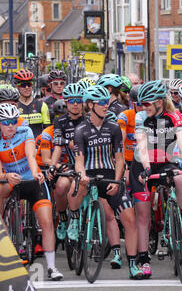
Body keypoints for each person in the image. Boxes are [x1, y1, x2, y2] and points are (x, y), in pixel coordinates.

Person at [67, 85, 142, 278]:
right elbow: (79, 161)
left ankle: (133, 265)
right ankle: (74, 220)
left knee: (130, 219)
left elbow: (119, 159)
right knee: (75, 187)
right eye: (101, 103)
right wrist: (82, 175)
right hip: (89, 174)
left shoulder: (114, 127)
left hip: (110, 176)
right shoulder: (81, 129)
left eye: (106, 103)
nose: (105, 106)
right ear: (90, 105)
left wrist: (117, 182)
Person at [130, 80, 182, 278]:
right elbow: (141, 144)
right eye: (142, 103)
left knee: (181, 180)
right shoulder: (141, 117)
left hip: (166, 161)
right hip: (142, 165)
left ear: (159, 101)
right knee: (143, 215)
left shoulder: (174, 115)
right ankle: (144, 260)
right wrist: (147, 168)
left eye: (147, 103)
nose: (144, 107)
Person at [0, 103, 63, 280]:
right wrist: (6, 176)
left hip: (31, 178)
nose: (11, 125)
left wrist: (36, 173)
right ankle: (7, 249)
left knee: (46, 221)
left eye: (13, 121)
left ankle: (51, 267)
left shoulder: (24, 131)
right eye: (5, 122)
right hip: (10, 180)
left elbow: (30, 156)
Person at [48, 83, 86, 241]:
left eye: (78, 100)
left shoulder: (89, 120)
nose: (75, 104)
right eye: (71, 101)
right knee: (61, 186)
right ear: (66, 102)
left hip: (88, 163)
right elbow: (57, 143)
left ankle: (81, 219)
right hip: (70, 163)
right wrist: (52, 165)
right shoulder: (60, 121)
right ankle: (63, 218)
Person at [118, 85, 143, 186]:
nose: (144, 107)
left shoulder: (152, 116)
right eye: (140, 104)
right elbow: (120, 140)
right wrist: (122, 160)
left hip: (145, 160)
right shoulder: (125, 116)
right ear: (133, 103)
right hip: (128, 160)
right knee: (127, 180)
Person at [14, 69, 51, 138]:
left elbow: (47, 129)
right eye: (23, 85)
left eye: (29, 84)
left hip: (37, 145)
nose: (27, 87)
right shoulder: (14, 106)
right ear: (17, 86)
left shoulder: (42, 105)